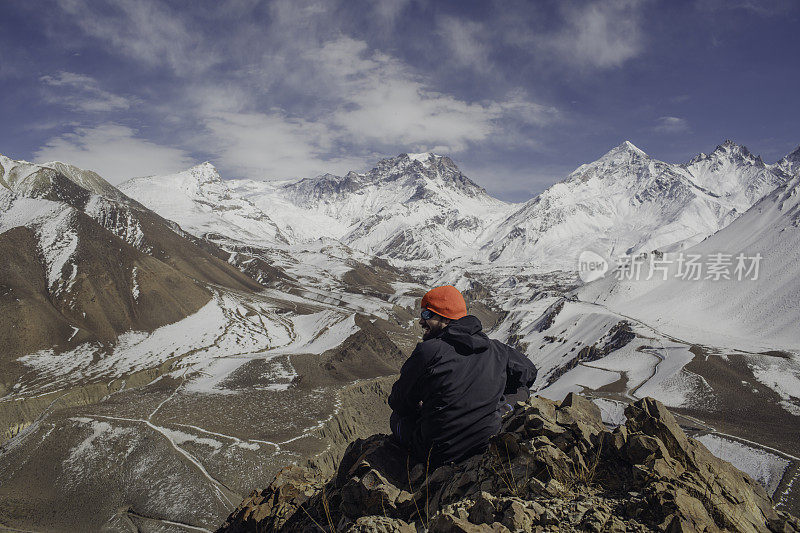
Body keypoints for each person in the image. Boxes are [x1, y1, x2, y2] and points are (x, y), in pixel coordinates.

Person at [389, 285, 537, 468]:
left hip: (438, 453)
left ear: (445, 317)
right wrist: (494, 396)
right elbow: (529, 372)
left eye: (427, 315)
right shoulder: (496, 349)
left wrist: (424, 405)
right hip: (486, 440)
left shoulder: (428, 352)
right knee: (522, 391)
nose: (420, 321)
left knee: (396, 419)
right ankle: (499, 413)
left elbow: (398, 402)